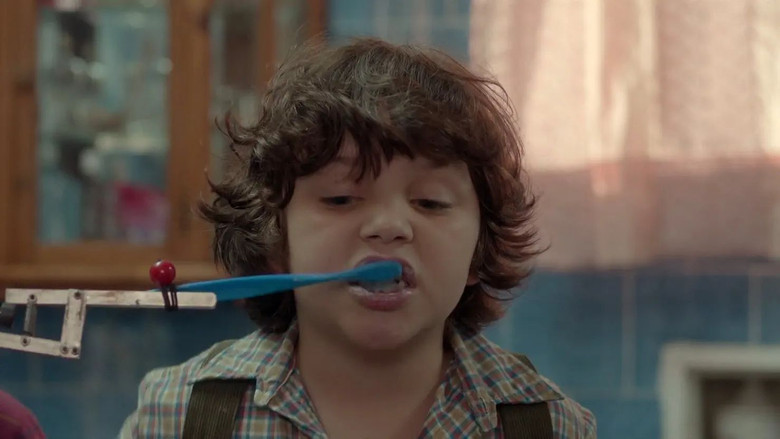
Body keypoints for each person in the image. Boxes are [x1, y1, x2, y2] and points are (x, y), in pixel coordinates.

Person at [119, 38, 596, 438]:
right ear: (276, 238)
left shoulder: (550, 426)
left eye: (430, 202)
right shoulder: (176, 415)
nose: (388, 225)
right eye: (341, 198)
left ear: (479, 249)